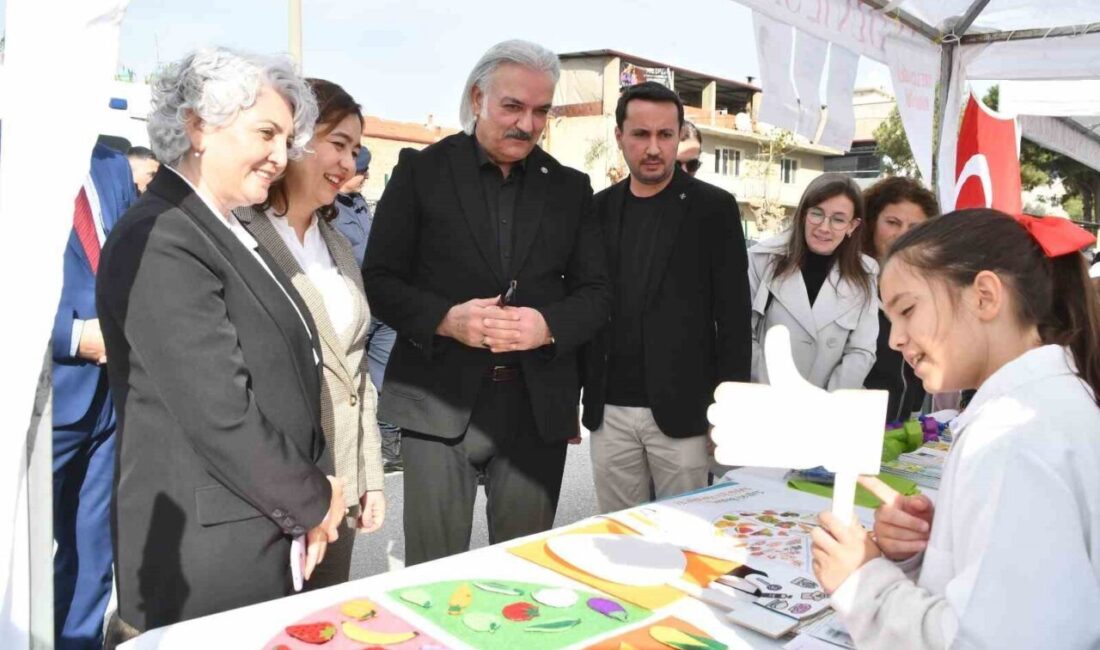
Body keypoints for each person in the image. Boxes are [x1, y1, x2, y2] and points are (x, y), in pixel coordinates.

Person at [96, 48, 344, 634]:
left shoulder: (224, 225)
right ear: (198, 125)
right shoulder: (162, 235)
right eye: (266, 132)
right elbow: (220, 412)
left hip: (251, 530)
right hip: (204, 559)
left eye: (288, 139)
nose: (281, 157)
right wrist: (313, 499)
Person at [363, 39, 611, 565]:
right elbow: (380, 280)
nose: (527, 122)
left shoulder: (570, 188)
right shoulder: (420, 172)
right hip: (437, 407)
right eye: (513, 106)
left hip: (534, 409)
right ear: (477, 98)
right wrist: (445, 320)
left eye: (541, 110)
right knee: (432, 573)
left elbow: (597, 294)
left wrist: (546, 327)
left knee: (521, 570)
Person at [811, 209, 1100, 648]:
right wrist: (924, 550)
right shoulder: (1044, 406)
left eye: (908, 310)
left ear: (984, 296)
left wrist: (862, 581)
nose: (895, 339)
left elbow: (987, 640)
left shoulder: (1013, 436)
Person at [234, 78, 385, 590]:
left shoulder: (339, 246)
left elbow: (356, 373)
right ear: (296, 139)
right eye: (337, 144)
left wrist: (371, 479)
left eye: (356, 150)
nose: (348, 163)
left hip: (339, 490)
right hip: (271, 492)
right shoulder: (241, 238)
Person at [581, 82, 750, 513]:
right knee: (617, 535)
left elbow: (733, 318)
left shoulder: (714, 209)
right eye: (641, 134)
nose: (653, 147)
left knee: (686, 536)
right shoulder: (596, 210)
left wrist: (729, 411)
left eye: (665, 135)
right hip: (610, 410)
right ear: (619, 136)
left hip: (684, 411)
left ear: (679, 137)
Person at [51, 143, 135, 650]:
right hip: (40, 393)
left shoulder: (108, 163)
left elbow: (128, 258)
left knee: (91, 551)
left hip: (111, 394)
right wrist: (71, 335)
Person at [747, 172, 878, 389]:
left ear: (852, 226)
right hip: (767, 401)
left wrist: (824, 404)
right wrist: (778, 390)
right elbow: (743, 335)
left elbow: (861, 351)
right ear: (802, 215)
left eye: (838, 219)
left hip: (828, 412)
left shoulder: (866, 273)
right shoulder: (762, 259)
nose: (824, 228)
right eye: (817, 214)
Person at [333, 146, 404, 472]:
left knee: (387, 379)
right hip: (350, 307)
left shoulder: (359, 204)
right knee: (345, 381)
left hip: (381, 308)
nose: (366, 177)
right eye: (361, 172)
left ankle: (392, 449)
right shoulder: (324, 208)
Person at [860, 176, 939, 421]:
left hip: (899, 433)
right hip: (848, 429)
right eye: (892, 222)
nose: (902, 235)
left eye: (915, 228)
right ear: (871, 224)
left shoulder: (932, 290)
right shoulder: (848, 284)